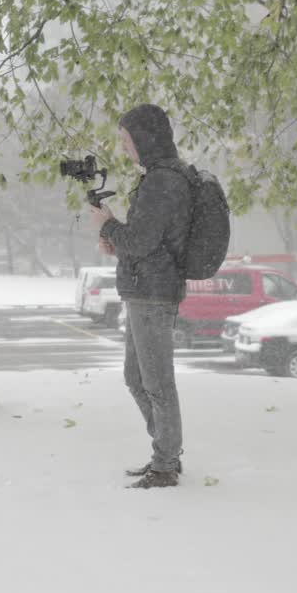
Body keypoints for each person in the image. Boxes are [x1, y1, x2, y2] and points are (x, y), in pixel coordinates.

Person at [91, 104, 193, 489]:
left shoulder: (163, 182)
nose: (125, 147)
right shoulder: (158, 179)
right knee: (135, 377)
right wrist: (116, 242)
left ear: (145, 138)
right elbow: (149, 242)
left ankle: (166, 464)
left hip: (153, 293)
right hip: (143, 287)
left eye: (127, 139)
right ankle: (164, 452)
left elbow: (141, 239)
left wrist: (109, 225)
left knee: (156, 382)